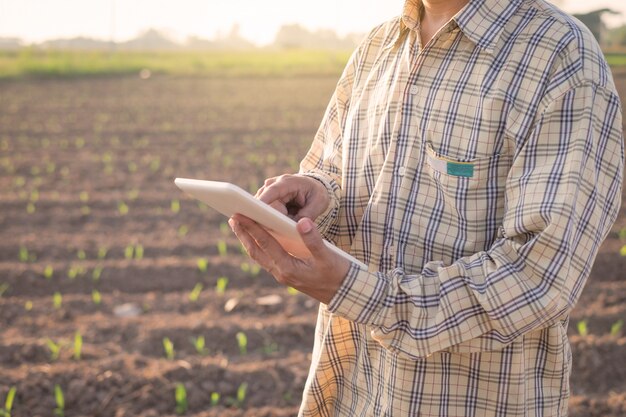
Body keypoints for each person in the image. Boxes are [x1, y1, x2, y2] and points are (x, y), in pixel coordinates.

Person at [229, 0, 625, 415]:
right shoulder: (379, 44)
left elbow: (539, 277)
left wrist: (364, 295)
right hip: (353, 392)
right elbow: (334, 168)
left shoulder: (560, 55)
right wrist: (315, 195)